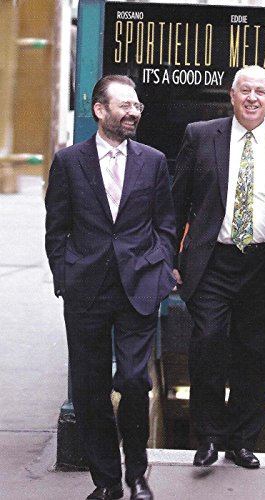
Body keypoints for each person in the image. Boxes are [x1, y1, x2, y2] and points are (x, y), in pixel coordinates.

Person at [45, 74, 176, 500]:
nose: (133, 112)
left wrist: (160, 269)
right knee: (89, 388)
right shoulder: (69, 162)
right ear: (100, 110)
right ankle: (107, 481)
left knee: (135, 380)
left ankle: (137, 474)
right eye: (125, 105)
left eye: (137, 106)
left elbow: (165, 224)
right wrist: (65, 276)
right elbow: (56, 228)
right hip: (86, 288)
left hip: (139, 285)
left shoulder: (153, 160)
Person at [172, 65, 265, 469]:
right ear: (231, 95)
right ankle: (208, 437)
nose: (252, 98)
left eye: (260, 92)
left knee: (255, 354)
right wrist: (169, 259)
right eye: (244, 90)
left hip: (263, 265)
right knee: (208, 344)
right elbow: (177, 203)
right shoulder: (200, 135)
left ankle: (243, 441)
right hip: (212, 261)